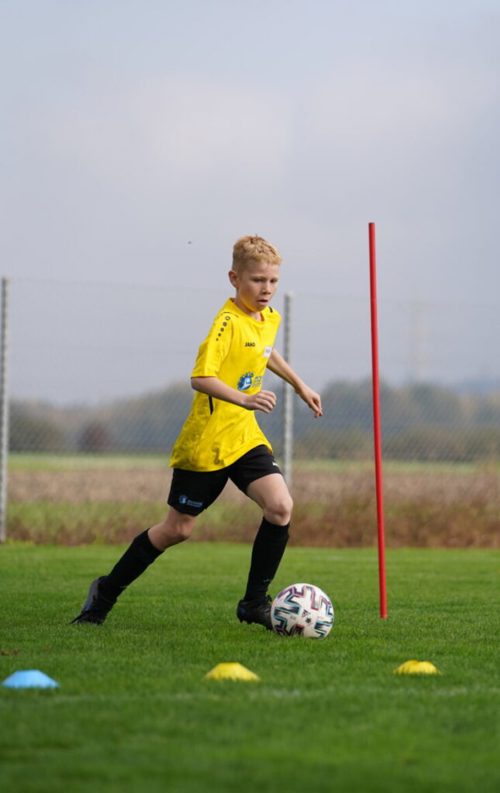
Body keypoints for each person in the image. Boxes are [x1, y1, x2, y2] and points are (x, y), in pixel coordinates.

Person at [71, 235, 322, 629]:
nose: (266, 290)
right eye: (258, 281)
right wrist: (244, 398)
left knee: (280, 507)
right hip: (207, 444)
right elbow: (200, 377)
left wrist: (299, 385)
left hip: (244, 438)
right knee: (178, 529)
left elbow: (265, 349)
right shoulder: (225, 323)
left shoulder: (267, 317)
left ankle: (254, 603)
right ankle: (105, 591)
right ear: (234, 278)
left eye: (272, 281)